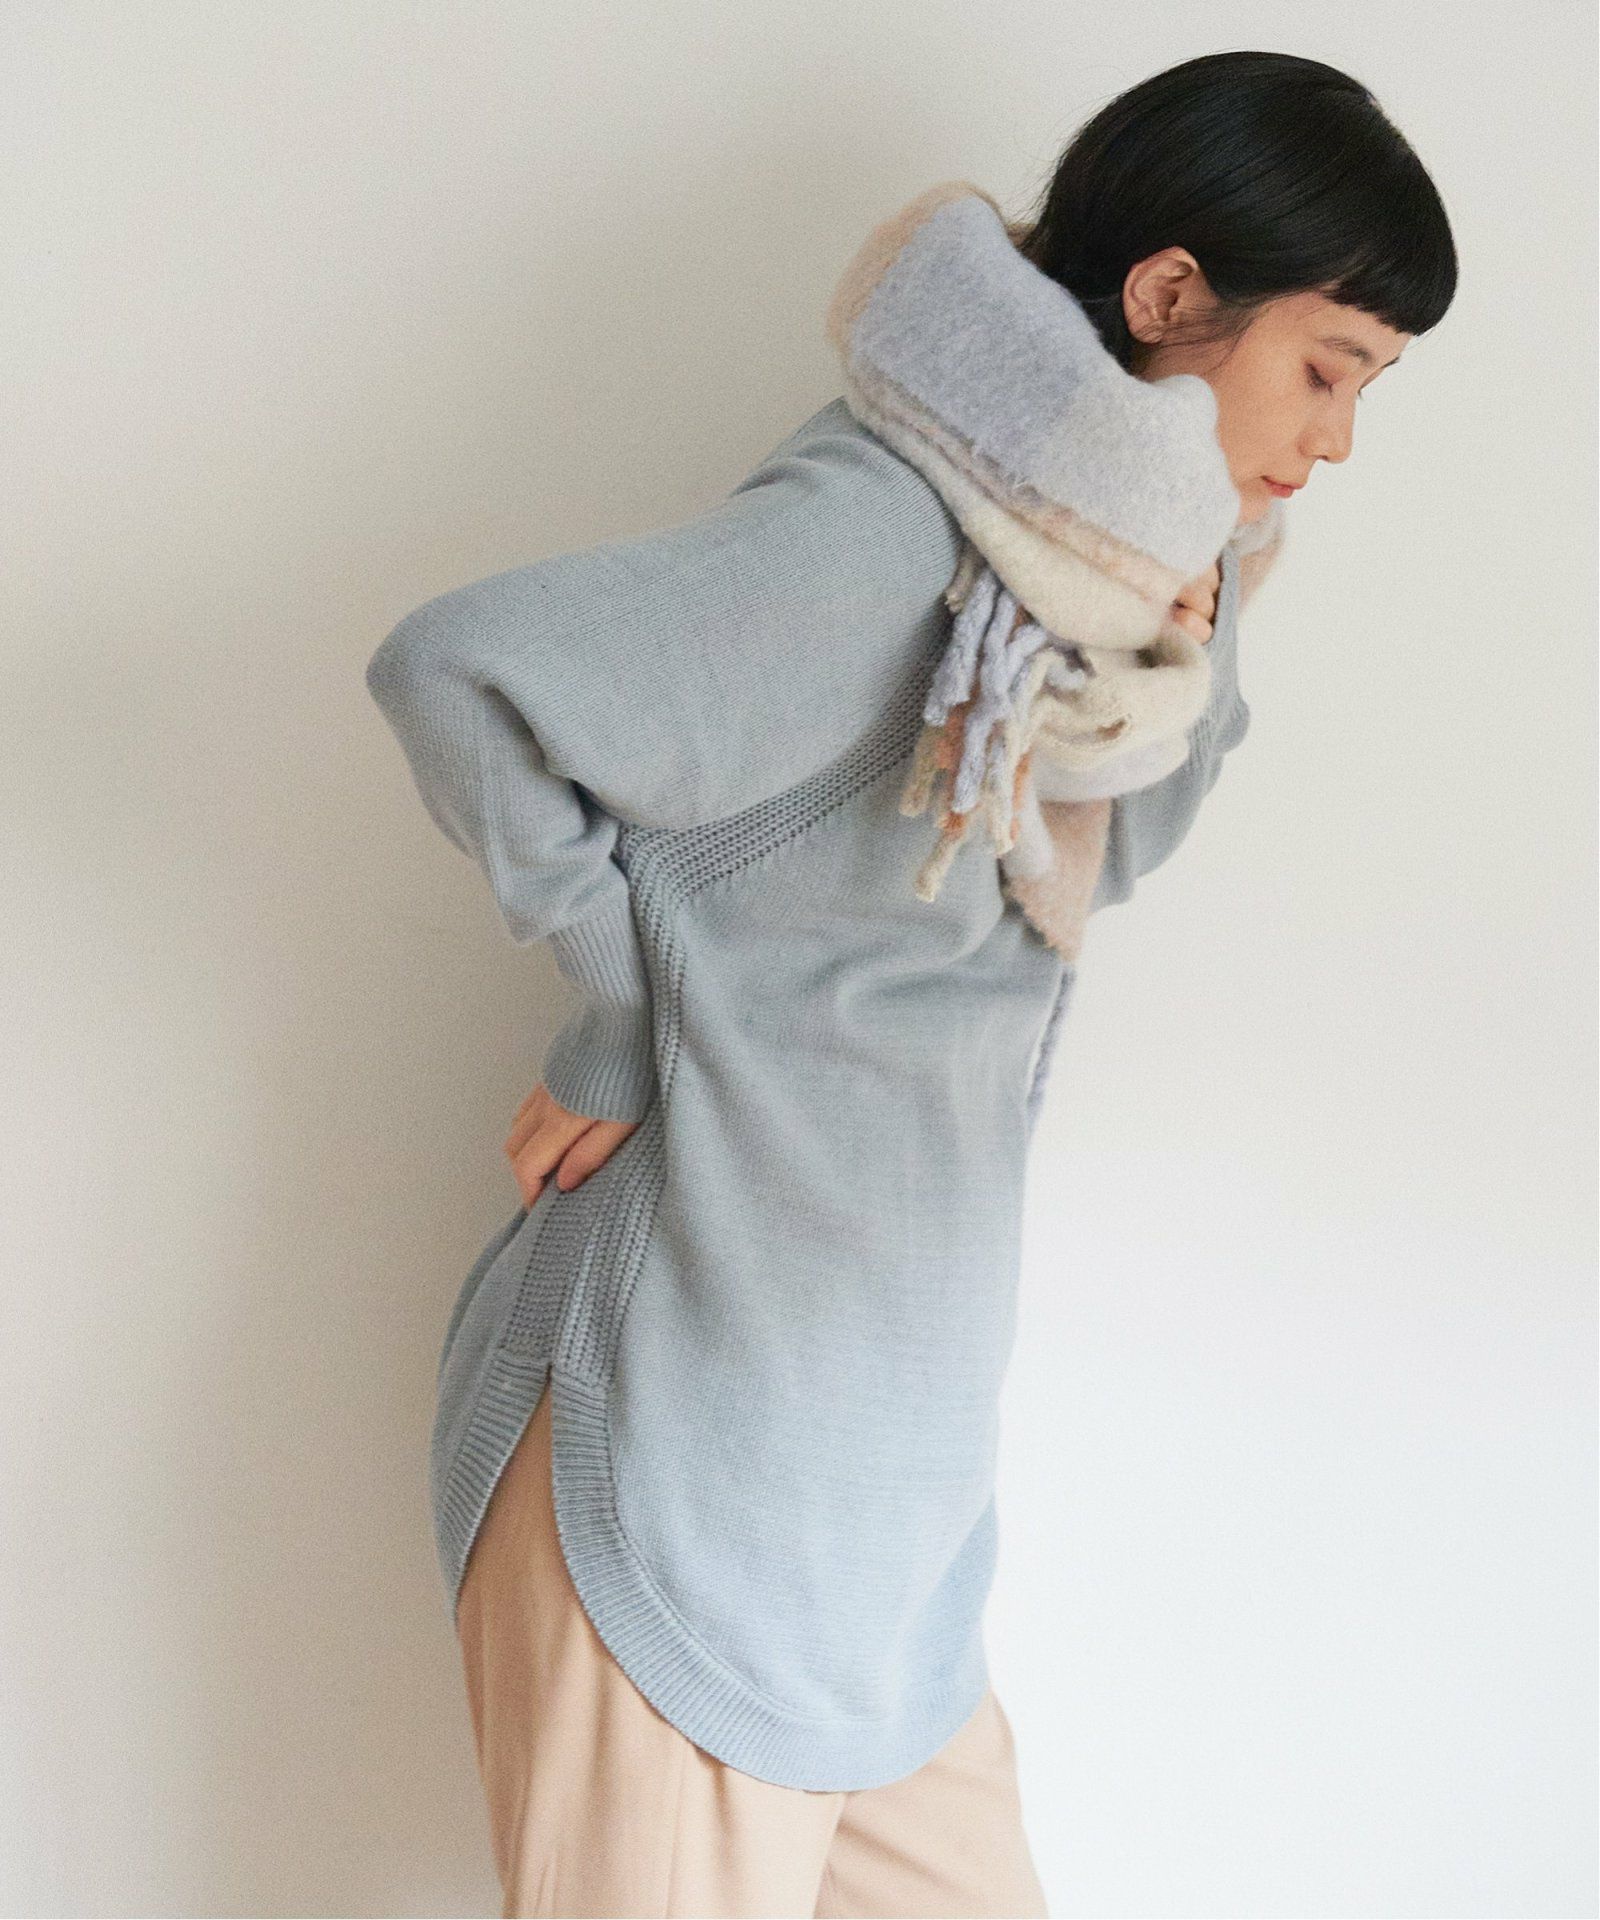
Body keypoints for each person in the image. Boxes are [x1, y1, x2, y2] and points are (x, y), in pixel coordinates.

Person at [365, 49, 1455, 1920]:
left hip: (884, 1519)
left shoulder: (1100, 573)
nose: (1337, 438)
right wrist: (628, 1016)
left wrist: (1200, 624)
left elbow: (1102, 860)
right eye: (1327, 369)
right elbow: (460, 674)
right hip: (690, 1457)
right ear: (1171, 297)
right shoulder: (885, 527)